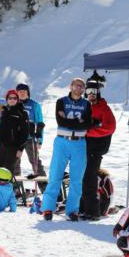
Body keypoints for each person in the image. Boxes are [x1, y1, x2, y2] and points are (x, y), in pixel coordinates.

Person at [41, 77, 92, 221]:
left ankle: (72, 210)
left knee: (77, 178)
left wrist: (71, 122)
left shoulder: (86, 104)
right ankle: (48, 208)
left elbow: (87, 124)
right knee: (55, 175)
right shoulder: (61, 102)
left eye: (81, 86)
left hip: (79, 143)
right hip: (62, 141)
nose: (78, 88)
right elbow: (60, 121)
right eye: (76, 85)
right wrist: (78, 122)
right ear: (70, 86)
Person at [81, 76, 116, 220]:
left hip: (96, 149)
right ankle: (82, 208)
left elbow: (110, 127)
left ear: (98, 93)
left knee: (90, 178)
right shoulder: (84, 107)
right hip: (83, 148)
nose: (91, 94)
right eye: (88, 91)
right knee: (83, 178)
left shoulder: (104, 108)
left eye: (94, 91)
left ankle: (93, 211)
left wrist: (89, 131)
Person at [14, 83, 46, 188]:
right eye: (19, 91)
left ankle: (45, 189)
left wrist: (40, 140)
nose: (22, 93)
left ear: (28, 92)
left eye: (24, 91)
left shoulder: (34, 105)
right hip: (17, 139)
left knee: (36, 164)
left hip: (30, 138)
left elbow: (40, 122)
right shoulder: (14, 103)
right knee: (15, 164)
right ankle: (17, 190)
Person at [0, 89, 29, 173]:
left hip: (13, 148)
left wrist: (20, 149)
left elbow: (25, 132)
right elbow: (0, 131)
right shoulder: (4, 112)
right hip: (1, 146)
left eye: (15, 98)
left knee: (7, 172)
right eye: (10, 98)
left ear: (18, 100)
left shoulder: (22, 113)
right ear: (7, 99)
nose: (12, 100)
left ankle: (8, 182)